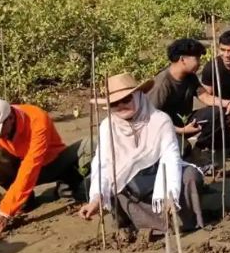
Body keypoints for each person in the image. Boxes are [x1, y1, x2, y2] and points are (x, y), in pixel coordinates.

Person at [77, 73, 204, 232]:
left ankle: (182, 220)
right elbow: (103, 164)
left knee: (191, 175)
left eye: (127, 99)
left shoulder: (160, 120)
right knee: (113, 184)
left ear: (138, 96)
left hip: (159, 172)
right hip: (130, 180)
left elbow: (170, 157)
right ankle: (148, 225)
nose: (121, 105)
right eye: (115, 103)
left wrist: (169, 193)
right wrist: (96, 199)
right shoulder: (107, 126)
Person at [0, 98, 89, 240]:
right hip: (19, 168)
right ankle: (25, 201)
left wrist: (4, 213)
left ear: (9, 118)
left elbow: (30, 168)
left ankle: (68, 183)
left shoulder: (36, 119)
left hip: (51, 163)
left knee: (92, 144)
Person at [147, 38, 230, 157]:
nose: (199, 63)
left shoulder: (190, 76)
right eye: (197, 58)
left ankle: (202, 147)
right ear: (182, 59)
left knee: (222, 113)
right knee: (183, 150)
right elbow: (150, 120)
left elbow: (205, 96)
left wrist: (228, 103)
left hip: (184, 121)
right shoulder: (161, 84)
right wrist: (181, 130)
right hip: (163, 130)